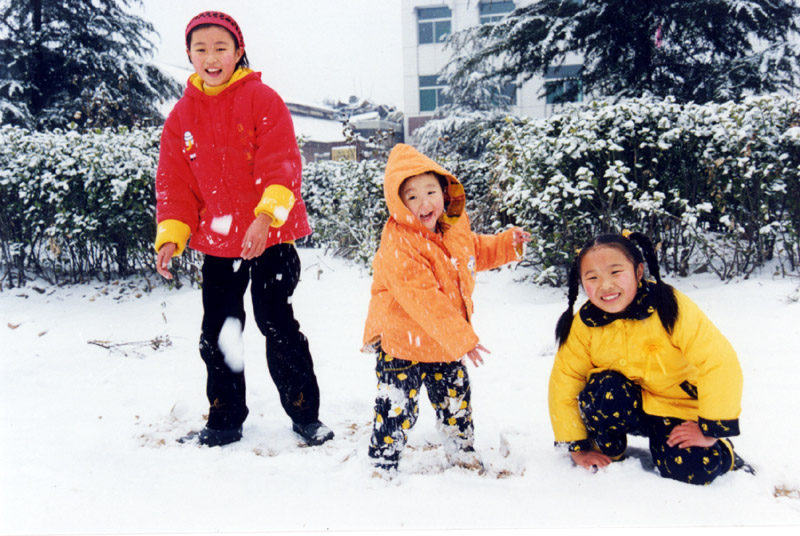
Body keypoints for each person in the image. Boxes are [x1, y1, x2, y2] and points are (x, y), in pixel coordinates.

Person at [154, 11, 333, 448]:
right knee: (220, 330)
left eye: (221, 48)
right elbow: (175, 184)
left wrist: (265, 217)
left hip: (270, 237)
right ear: (190, 55)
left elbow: (282, 164)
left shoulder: (262, 100)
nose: (211, 58)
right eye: (201, 49)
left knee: (276, 322)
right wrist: (171, 236)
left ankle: (305, 413)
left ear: (238, 52)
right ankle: (225, 419)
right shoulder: (180, 118)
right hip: (218, 243)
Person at [362, 143, 531, 477]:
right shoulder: (398, 243)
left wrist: (507, 244)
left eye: (430, 191)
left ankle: (460, 447)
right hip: (402, 341)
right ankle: (384, 458)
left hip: (443, 343)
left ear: (444, 190)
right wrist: (462, 337)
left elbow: (472, 252)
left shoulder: (454, 225)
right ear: (399, 203)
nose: (424, 203)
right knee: (397, 405)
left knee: (455, 399)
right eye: (411, 196)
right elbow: (424, 299)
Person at [548, 231, 753, 485]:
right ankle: (609, 450)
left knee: (691, 469)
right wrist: (577, 447)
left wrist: (709, 430)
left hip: (676, 408)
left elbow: (718, 361)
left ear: (638, 271)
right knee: (601, 388)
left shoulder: (668, 306)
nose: (606, 285)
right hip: (625, 403)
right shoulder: (584, 323)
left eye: (615, 272)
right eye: (592, 277)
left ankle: (725, 455)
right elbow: (564, 381)